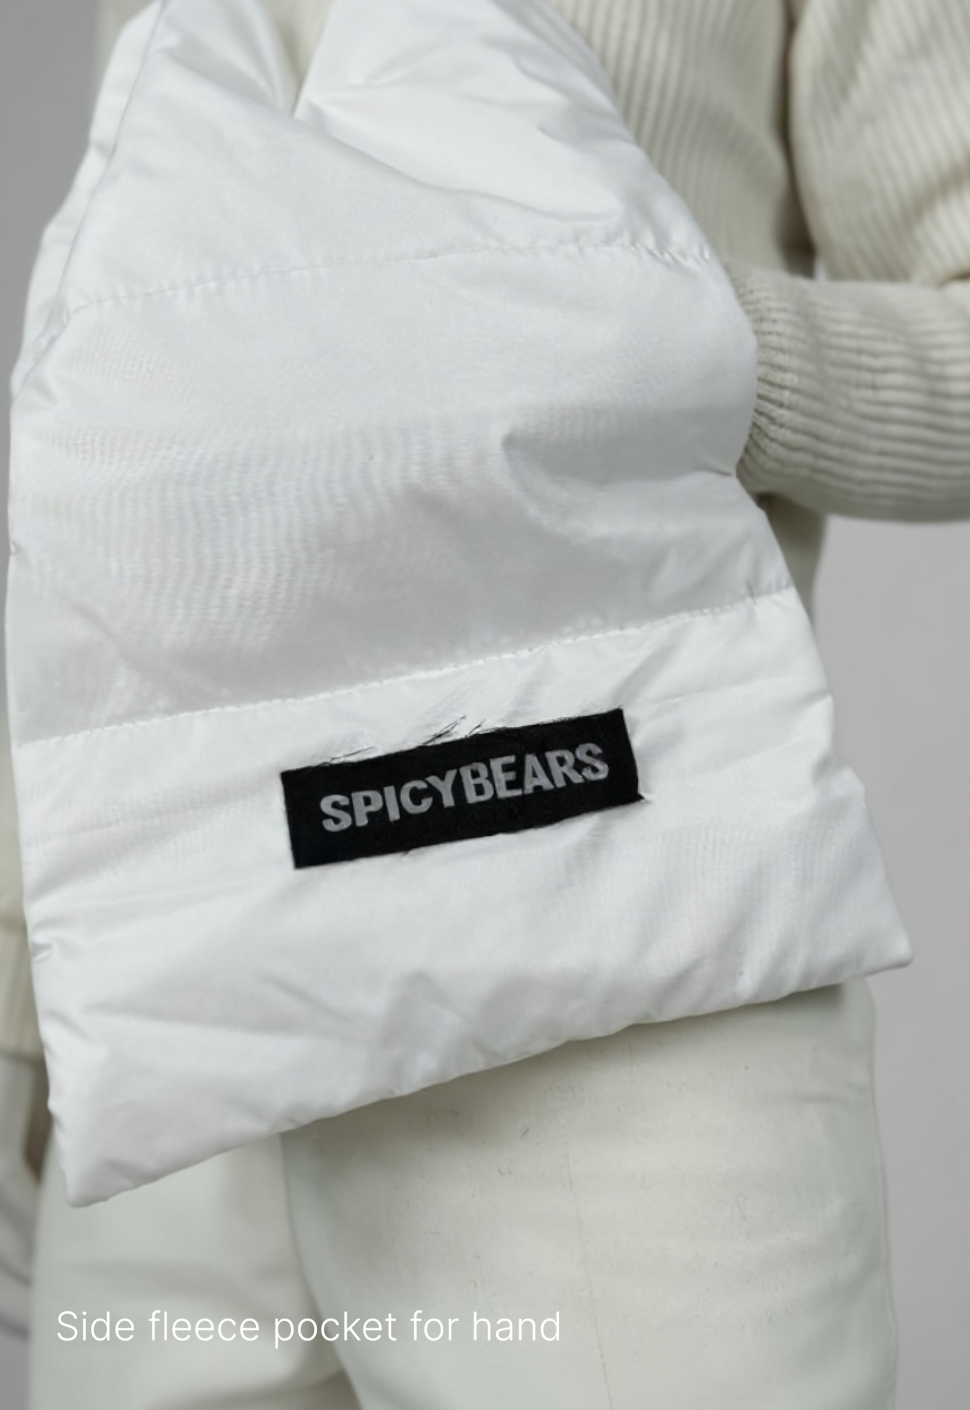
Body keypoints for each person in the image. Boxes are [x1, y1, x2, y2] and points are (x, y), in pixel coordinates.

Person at [7, 0, 970, 1406]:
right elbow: (117, 478)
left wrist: (684, 351)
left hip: (620, 983)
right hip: (183, 1002)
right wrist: (23, 979)